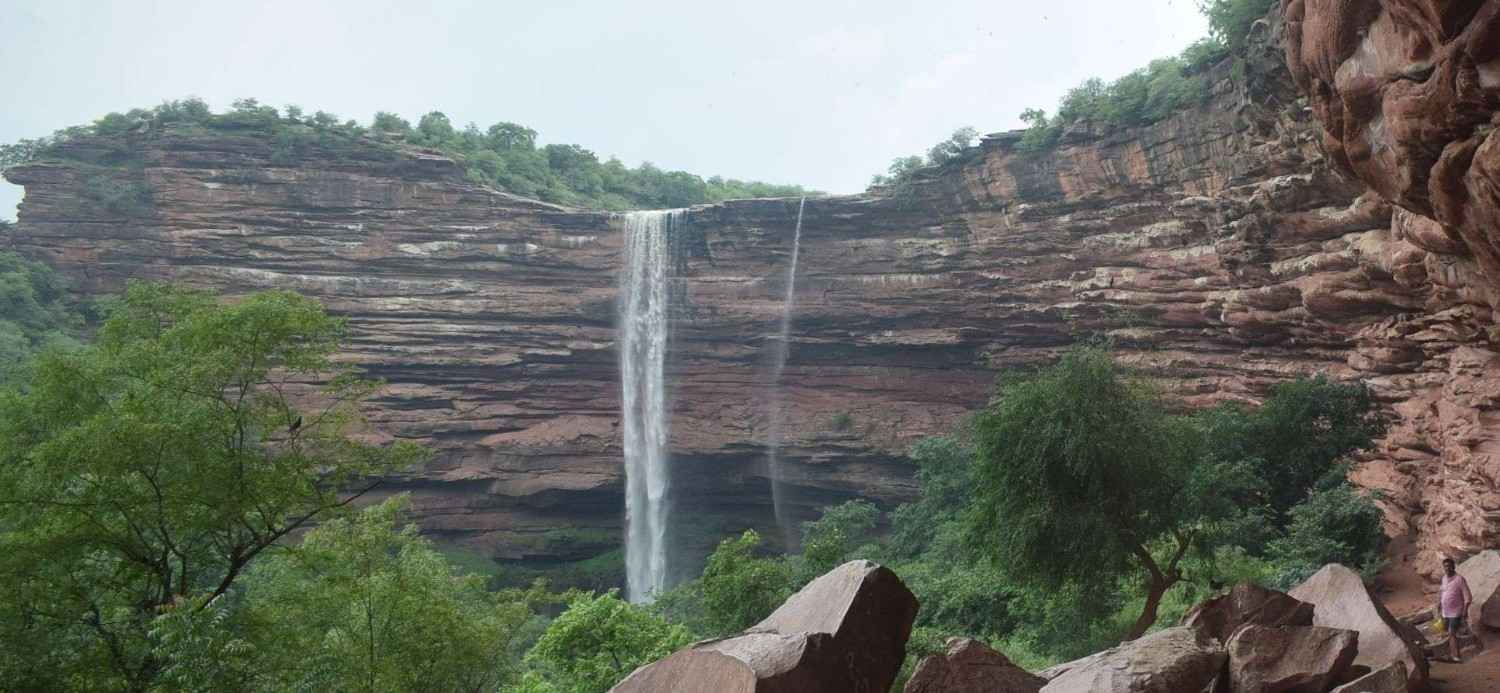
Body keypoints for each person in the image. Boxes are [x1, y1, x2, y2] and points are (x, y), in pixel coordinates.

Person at [1437, 557, 1487, 663]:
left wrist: (1465, 610)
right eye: (1445, 566)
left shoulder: (1459, 579)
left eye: (1449, 566)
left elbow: (1468, 596)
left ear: (1453, 566)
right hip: (1445, 612)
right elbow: (1442, 592)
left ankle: (1456, 656)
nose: (1447, 568)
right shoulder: (1444, 578)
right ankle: (1454, 653)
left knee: (1452, 633)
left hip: (1456, 612)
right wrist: (1439, 604)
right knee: (1452, 633)